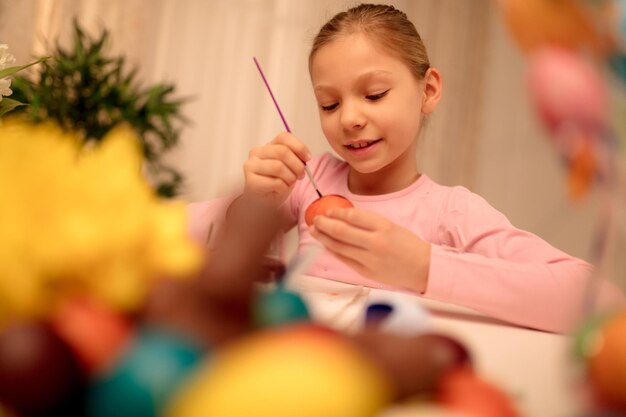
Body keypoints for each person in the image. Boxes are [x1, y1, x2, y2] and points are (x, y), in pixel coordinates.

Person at [188, 3, 625, 334]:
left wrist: (423, 267)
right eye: (329, 103)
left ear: (428, 90)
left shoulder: (450, 212)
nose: (349, 118)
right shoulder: (306, 183)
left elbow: (597, 301)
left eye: (374, 94)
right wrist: (246, 209)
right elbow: (167, 239)